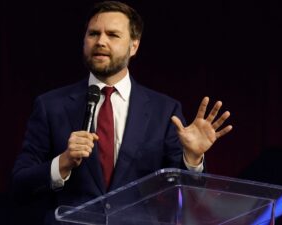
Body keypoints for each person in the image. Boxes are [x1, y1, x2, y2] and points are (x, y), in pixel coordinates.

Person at [12, 1, 232, 224]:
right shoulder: (51, 106)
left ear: (133, 46)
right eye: (93, 34)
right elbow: (20, 183)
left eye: (113, 35)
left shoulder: (164, 111)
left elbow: (189, 196)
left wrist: (193, 159)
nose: (100, 41)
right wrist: (63, 162)